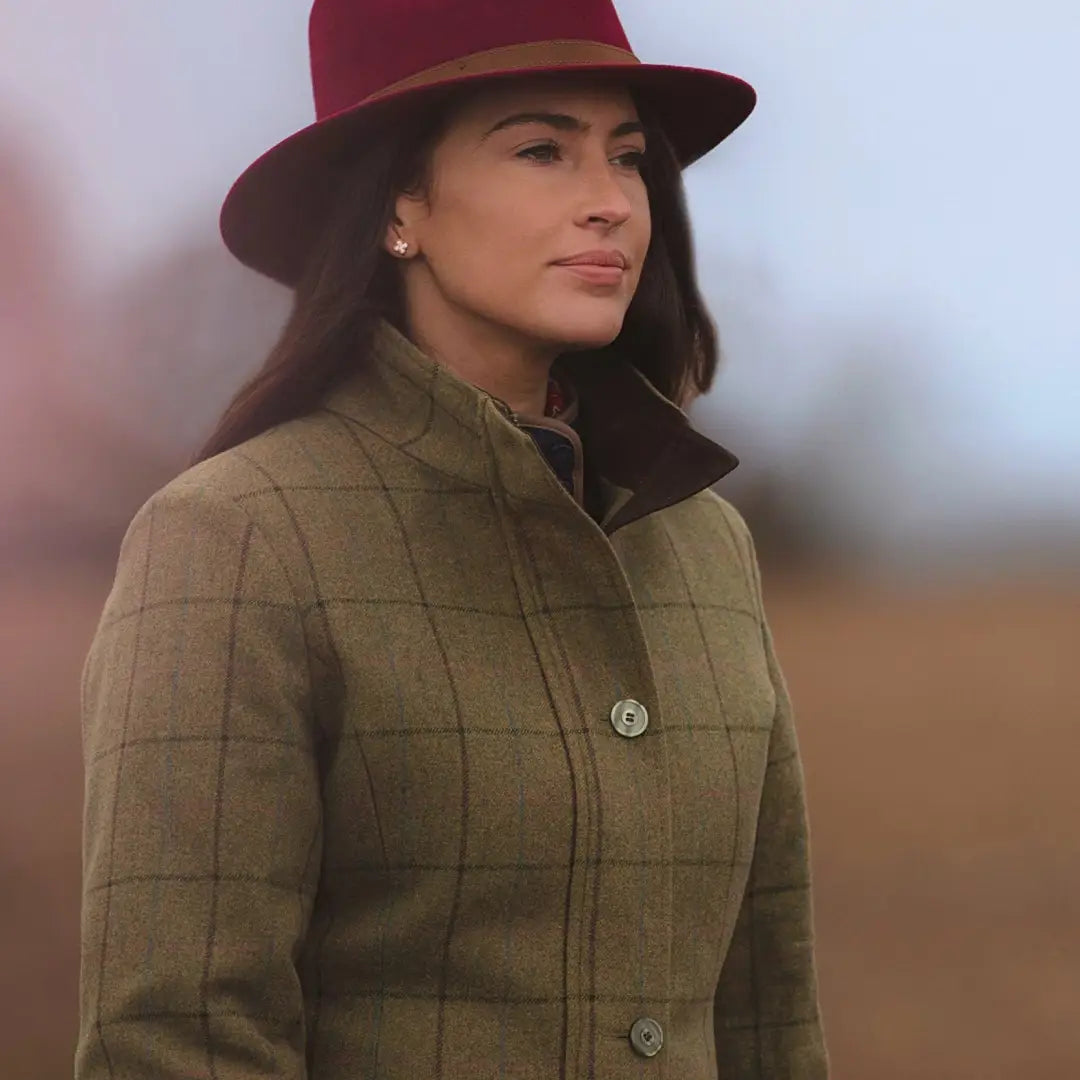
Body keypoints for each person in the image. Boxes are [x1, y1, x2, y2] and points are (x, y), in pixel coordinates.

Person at [75, 1, 830, 1077]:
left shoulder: (705, 547)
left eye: (627, 157)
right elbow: (178, 1037)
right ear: (400, 203)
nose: (612, 201)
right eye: (540, 150)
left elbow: (770, 1014)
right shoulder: (237, 540)